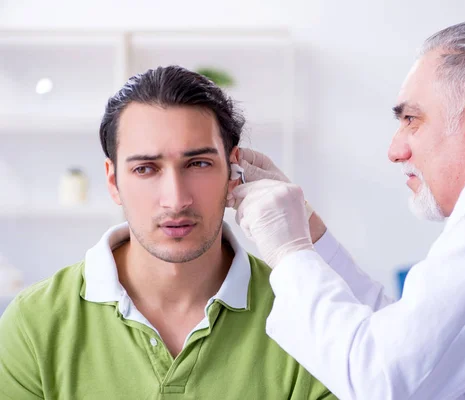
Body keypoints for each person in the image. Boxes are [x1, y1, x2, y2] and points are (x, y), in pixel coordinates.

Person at [231, 18, 465, 399]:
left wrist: (289, 253)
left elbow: (382, 380)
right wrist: (309, 231)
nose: (395, 151)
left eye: (412, 119)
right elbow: (401, 338)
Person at [0, 66, 335, 400]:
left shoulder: (304, 315)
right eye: (145, 169)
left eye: (199, 164)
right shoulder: (35, 323)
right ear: (113, 181)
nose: (176, 200)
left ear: (234, 171)